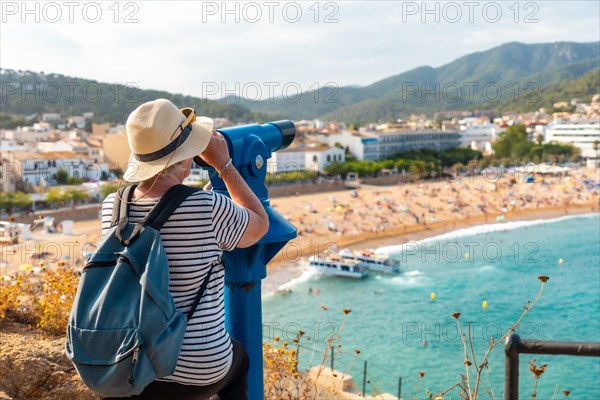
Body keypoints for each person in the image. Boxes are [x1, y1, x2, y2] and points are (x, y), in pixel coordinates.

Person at [101, 99, 269, 399]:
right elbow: (258, 226)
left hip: (129, 361)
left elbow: (171, 213)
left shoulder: (112, 206)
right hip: (197, 367)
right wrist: (224, 166)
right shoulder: (206, 208)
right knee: (241, 360)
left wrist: (206, 200)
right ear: (187, 157)